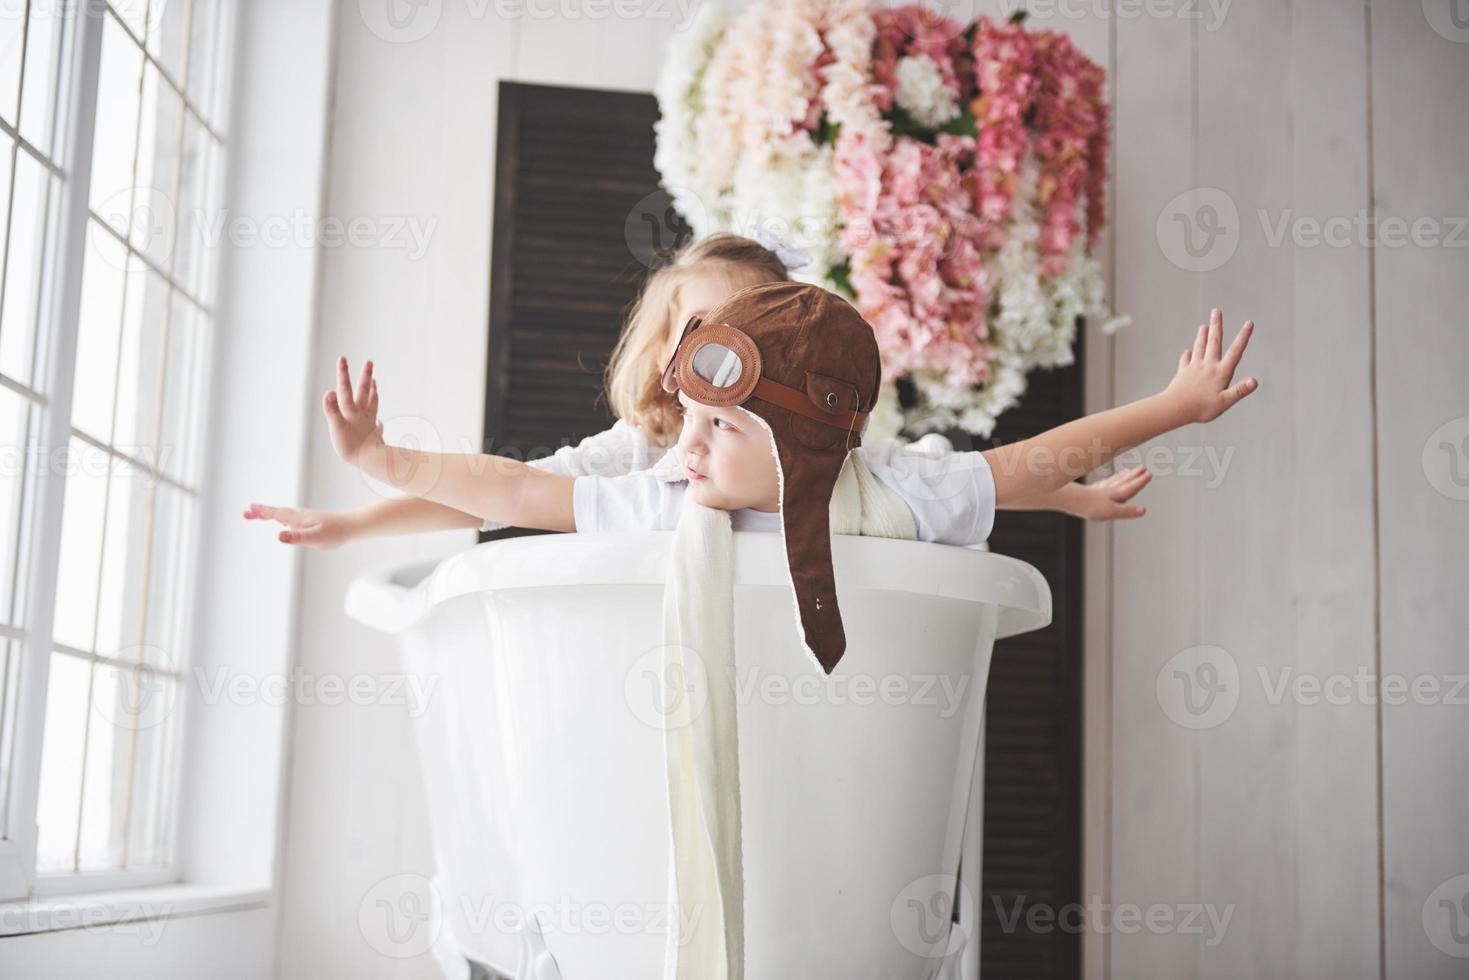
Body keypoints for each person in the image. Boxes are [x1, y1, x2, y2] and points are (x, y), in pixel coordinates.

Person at [244, 234, 1151, 547]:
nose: (721, 355)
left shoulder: (807, 447)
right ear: (663, 345)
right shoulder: (640, 462)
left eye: (748, 330)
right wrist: (360, 514)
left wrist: (1066, 497)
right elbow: (499, 497)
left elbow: (924, 483)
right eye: (697, 330)